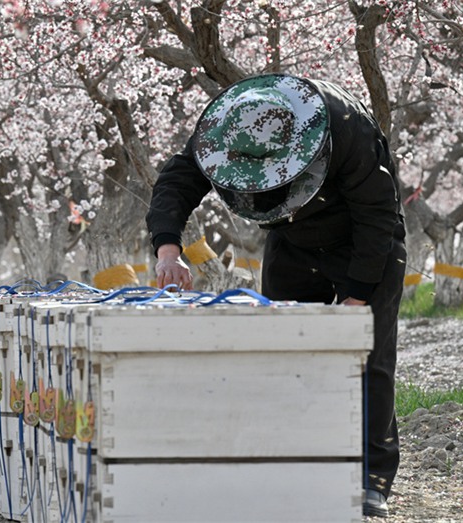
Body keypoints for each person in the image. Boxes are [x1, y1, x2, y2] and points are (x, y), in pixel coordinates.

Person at [145, 73, 405, 518]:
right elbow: (177, 182)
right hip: (291, 242)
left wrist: (357, 295)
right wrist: (168, 247)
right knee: (287, 351)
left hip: (364, 242)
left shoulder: (346, 126)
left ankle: (372, 477)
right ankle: (297, 464)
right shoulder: (222, 127)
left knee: (368, 358)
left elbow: (378, 216)